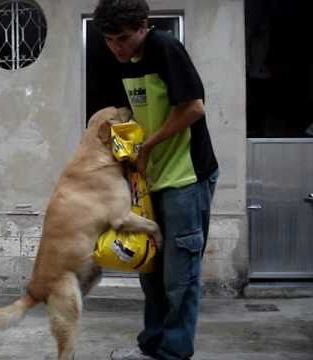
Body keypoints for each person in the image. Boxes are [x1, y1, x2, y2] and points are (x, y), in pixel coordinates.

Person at [93, 1, 219, 359]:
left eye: (123, 38)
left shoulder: (165, 47)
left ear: (144, 26)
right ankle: (152, 345)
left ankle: (173, 352)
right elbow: (141, 111)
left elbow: (194, 107)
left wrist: (147, 146)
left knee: (179, 277)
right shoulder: (124, 61)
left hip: (185, 178)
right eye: (109, 40)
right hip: (150, 180)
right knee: (148, 267)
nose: (117, 47)